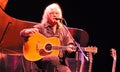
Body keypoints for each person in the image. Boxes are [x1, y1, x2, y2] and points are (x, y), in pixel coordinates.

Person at [20, 3, 76, 72]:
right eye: (52, 13)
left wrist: (70, 47)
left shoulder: (63, 29)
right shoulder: (41, 27)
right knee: (54, 59)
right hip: (42, 60)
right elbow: (22, 33)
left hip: (60, 62)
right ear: (47, 15)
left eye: (57, 13)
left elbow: (70, 43)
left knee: (62, 65)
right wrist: (26, 32)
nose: (55, 15)